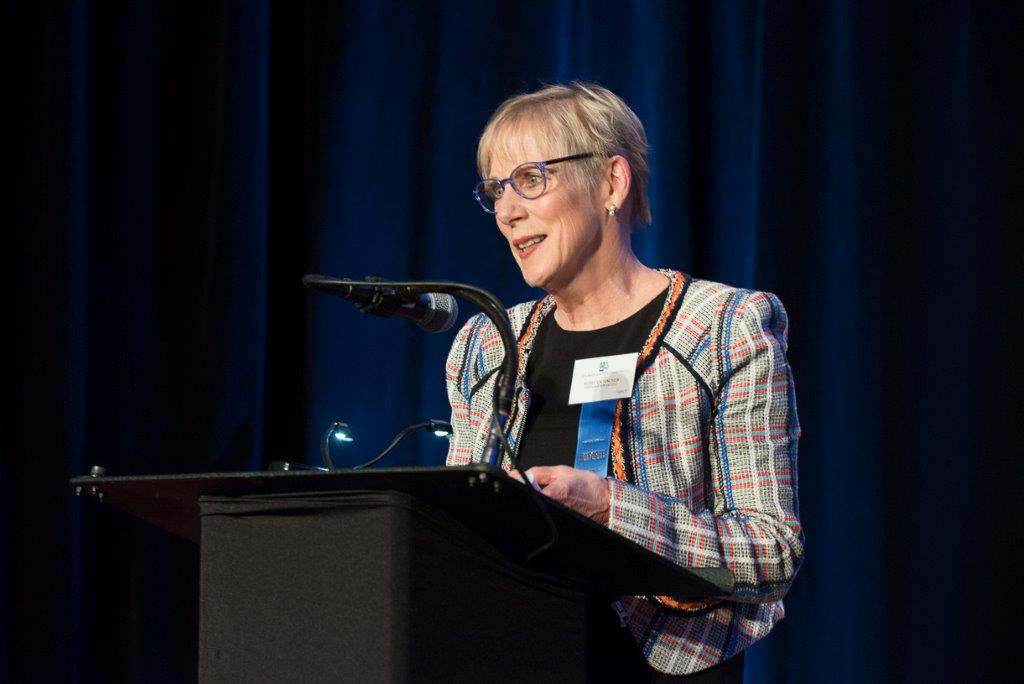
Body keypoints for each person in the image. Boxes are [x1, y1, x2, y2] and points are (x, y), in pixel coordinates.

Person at [444, 82, 803, 681]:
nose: (508, 210)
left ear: (611, 182)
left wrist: (612, 507)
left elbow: (771, 551)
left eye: (530, 179)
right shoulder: (486, 346)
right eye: (495, 189)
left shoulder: (723, 329)